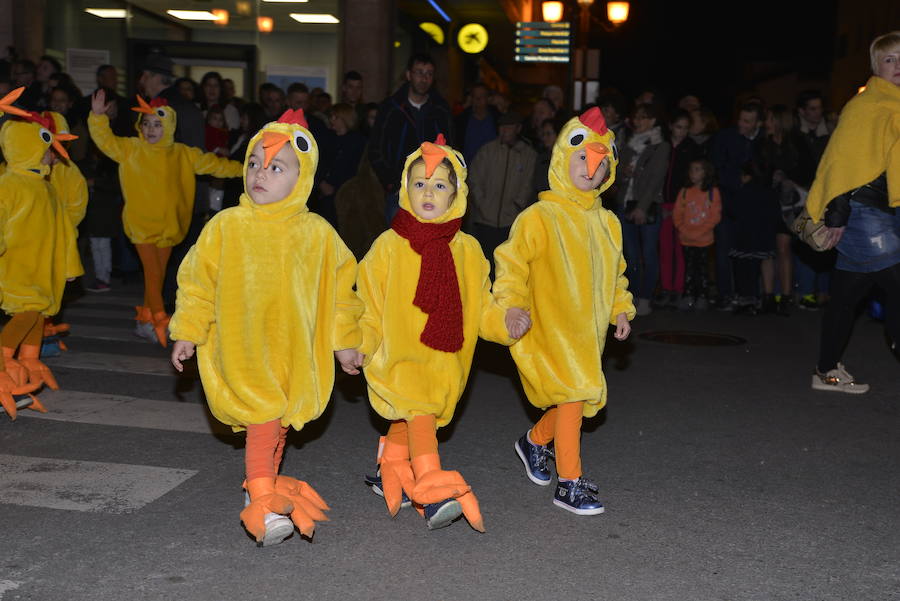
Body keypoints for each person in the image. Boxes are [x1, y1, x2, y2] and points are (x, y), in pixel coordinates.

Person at [170, 108, 363, 546]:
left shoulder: (318, 234)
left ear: (303, 178)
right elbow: (197, 282)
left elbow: (341, 294)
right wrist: (188, 330)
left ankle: (265, 483)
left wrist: (346, 343)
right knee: (263, 416)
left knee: (278, 425)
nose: (260, 174)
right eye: (255, 163)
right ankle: (260, 496)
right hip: (242, 349)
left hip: (296, 353)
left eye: (276, 167)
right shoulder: (226, 226)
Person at [356, 135, 527, 531]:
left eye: (439, 185)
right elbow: (366, 302)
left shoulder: (468, 251)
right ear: (404, 189)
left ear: (457, 194)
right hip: (398, 359)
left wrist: (506, 321)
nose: (427, 192)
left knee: (415, 418)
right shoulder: (388, 246)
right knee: (420, 412)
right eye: (418, 183)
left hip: (445, 362)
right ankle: (432, 491)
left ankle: (390, 465)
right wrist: (357, 344)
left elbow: (482, 308)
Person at [493, 107, 634, 515]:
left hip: (588, 334)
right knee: (576, 394)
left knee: (576, 398)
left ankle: (535, 441)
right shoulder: (539, 216)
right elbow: (511, 264)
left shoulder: (608, 223)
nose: (589, 169)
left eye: (600, 163)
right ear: (560, 158)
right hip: (548, 328)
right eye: (581, 158)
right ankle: (569, 482)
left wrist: (621, 310)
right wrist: (511, 306)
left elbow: (617, 273)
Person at [88, 89, 243, 347]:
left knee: (157, 277)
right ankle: (160, 318)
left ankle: (145, 320)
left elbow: (216, 165)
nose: (151, 129)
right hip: (141, 227)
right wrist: (97, 117)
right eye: (146, 123)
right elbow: (105, 140)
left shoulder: (183, 153)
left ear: (169, 126)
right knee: (152, 273)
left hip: (170, 228)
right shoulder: (130, 148)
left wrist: (247, 170)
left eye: (157, 124)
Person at [805, 30, 900, 394]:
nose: (897, 66)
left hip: (884, 215)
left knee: (846, 297)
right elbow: (842, 163)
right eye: (889, 59)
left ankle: (826, 370)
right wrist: (838, 215)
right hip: (863, 213)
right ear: (876, 66)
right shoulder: (866, 105)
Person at [0, 89, 82, 419]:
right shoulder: (9, 184)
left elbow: (63, 231)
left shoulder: (46, 188)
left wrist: (69, 267)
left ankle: (25, 366)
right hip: (17, 268)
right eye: (50, 148)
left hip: (43, 273)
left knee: (35, 316)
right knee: (26, 313)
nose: (54, 154)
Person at [369, 53, 453, 224]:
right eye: (419, 72)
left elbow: (451, 149)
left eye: (429, 73)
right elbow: (375, 148)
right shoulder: (390, 108)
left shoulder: (441, 110)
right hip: (399, 191)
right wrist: (391, 181)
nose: (424, 78)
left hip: (432, 190)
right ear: (408, 75)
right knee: (397, 244)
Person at [466, 111, 538, 274]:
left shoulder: (528, 155)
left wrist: (517, 206)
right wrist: (482, 204)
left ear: (518, 129)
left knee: (507, 267)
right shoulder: (487, 151)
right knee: (484, 266)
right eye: (502, 127)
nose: (504, 130)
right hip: (485, 220)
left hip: (511, 222)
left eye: (509, 127)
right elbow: (474, 179)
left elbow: (528, 184)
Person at [616, 102, 670, 315]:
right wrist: (625, 172)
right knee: (630, 253)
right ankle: (634, 294)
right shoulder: (630, 143)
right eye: (636, 117)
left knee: (648, 252)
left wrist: (642, 207)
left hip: (647, 206)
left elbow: (656, 179)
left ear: (653, 121)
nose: (637, 122)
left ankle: (646, 296)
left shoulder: (660, 145)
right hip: (624, 202)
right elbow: (617, 173)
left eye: (643, 118)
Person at [711, 102, 763, 310]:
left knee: (749, 252)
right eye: (740, 119)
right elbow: (717, 165)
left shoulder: (763, 141)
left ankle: (748, 295)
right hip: (728, 202)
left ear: (758, 122)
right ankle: (725, 294)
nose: (742, 124)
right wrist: (737, 180)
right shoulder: (726, 137)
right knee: (723, 251)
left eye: (748, 121)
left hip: (753, 206)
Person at [791, 90, 833, 311]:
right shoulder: (795, 135)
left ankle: (825, 291)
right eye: (813, 109)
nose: (818, 113)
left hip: (828, 193)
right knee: (807, 239)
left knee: (828, 240)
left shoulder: (831, 131)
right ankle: (805, 291)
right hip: (803, 195)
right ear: (802, 111)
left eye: (819, 108)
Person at [757, 105, 801, 315]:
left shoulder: (796, 143)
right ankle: (767, 296)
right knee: (767, 249)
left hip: (788, 204)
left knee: (783, 247)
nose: (767, 123)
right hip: (767, 202)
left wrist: (788, 178)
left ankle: (785, 295)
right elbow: (757, 173)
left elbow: (808, 170)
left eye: (771, 119)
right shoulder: (763, 145)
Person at [658, 110, 700, 308]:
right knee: (665, 248)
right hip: (663, 203)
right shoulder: (662, 145)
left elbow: (692, 180)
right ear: (670, 126)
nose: (681, 132)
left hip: (682, 205)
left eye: (685, 128)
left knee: (680, 248)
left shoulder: (691, 148)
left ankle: (679, 288)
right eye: (678, 127)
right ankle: (666, 287)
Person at [674, 159, 721, 310]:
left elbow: (715, 216)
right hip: (686, 239)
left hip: (704, 239)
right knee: (689, 268)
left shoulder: (713, 192)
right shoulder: (685, 192)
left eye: (697, 169)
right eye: (691, 169)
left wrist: (699, 232)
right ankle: (688, 295)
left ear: (706, 172)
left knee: (703, 269)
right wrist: (685, 230)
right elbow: (677, 215)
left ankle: (702, 296)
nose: (693, 173)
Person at [315, 103, 366, 229]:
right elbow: (317, 163)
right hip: (323, 194)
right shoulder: (326, 138)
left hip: (348, 194)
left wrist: (339, 188)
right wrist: (321, 182)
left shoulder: (358, 142)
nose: (332, 120)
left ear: (345, 119)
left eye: (336, 117)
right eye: (331, 117)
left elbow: (357, 170)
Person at [454, 82, 498, 164]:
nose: (478, 99)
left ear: (488, 98)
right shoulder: (463, 120)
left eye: (482, 96)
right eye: (475, 96)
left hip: (492, 168)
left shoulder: (497, 119)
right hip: (468, 168)